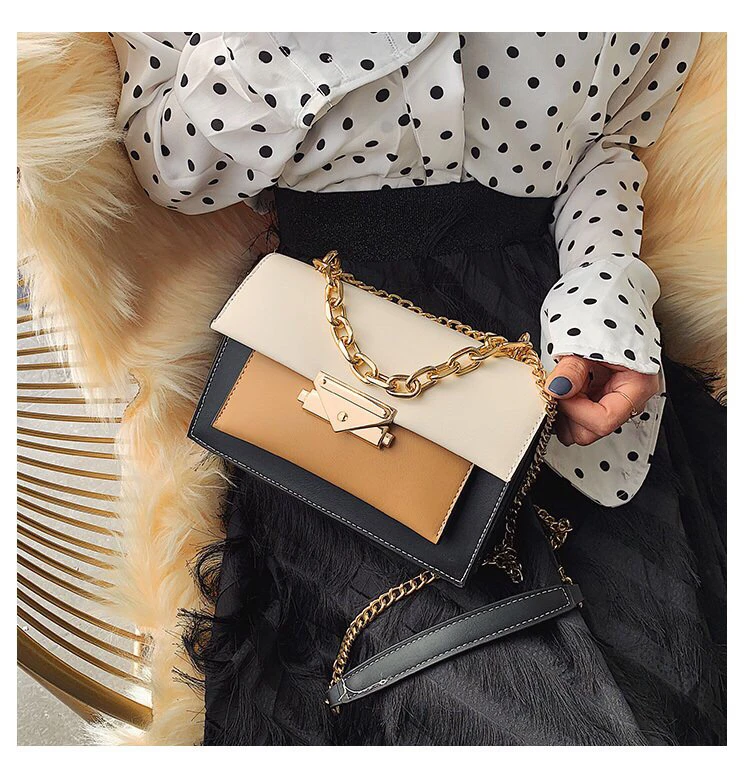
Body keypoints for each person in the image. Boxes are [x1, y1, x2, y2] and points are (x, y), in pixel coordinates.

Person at [112, 32, 726, 745]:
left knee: (674, 690)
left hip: (556, 347)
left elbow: (607, 143)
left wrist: (603, 293)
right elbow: (172, 166)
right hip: (324, 367)